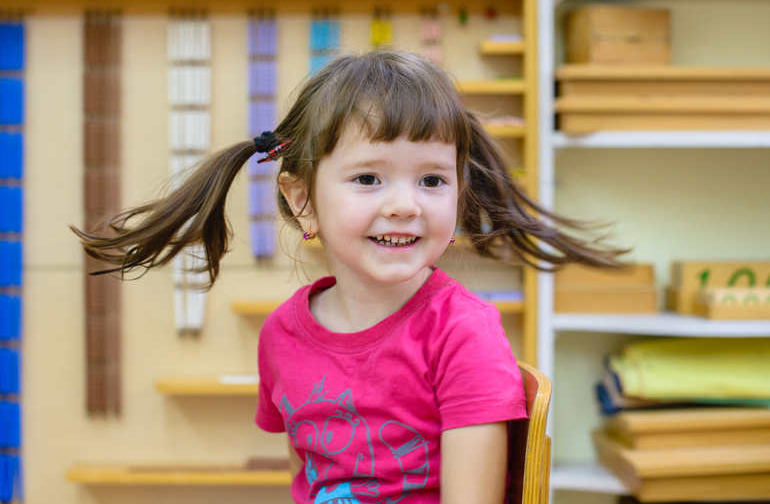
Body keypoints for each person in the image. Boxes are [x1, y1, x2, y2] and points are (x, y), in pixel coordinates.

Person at [73, 49, 625, 503]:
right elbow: (307, 482)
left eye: (432, 181)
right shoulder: (282, 335)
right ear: (302, 200)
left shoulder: (464, 332)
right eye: (368, 178)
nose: (405, 205)